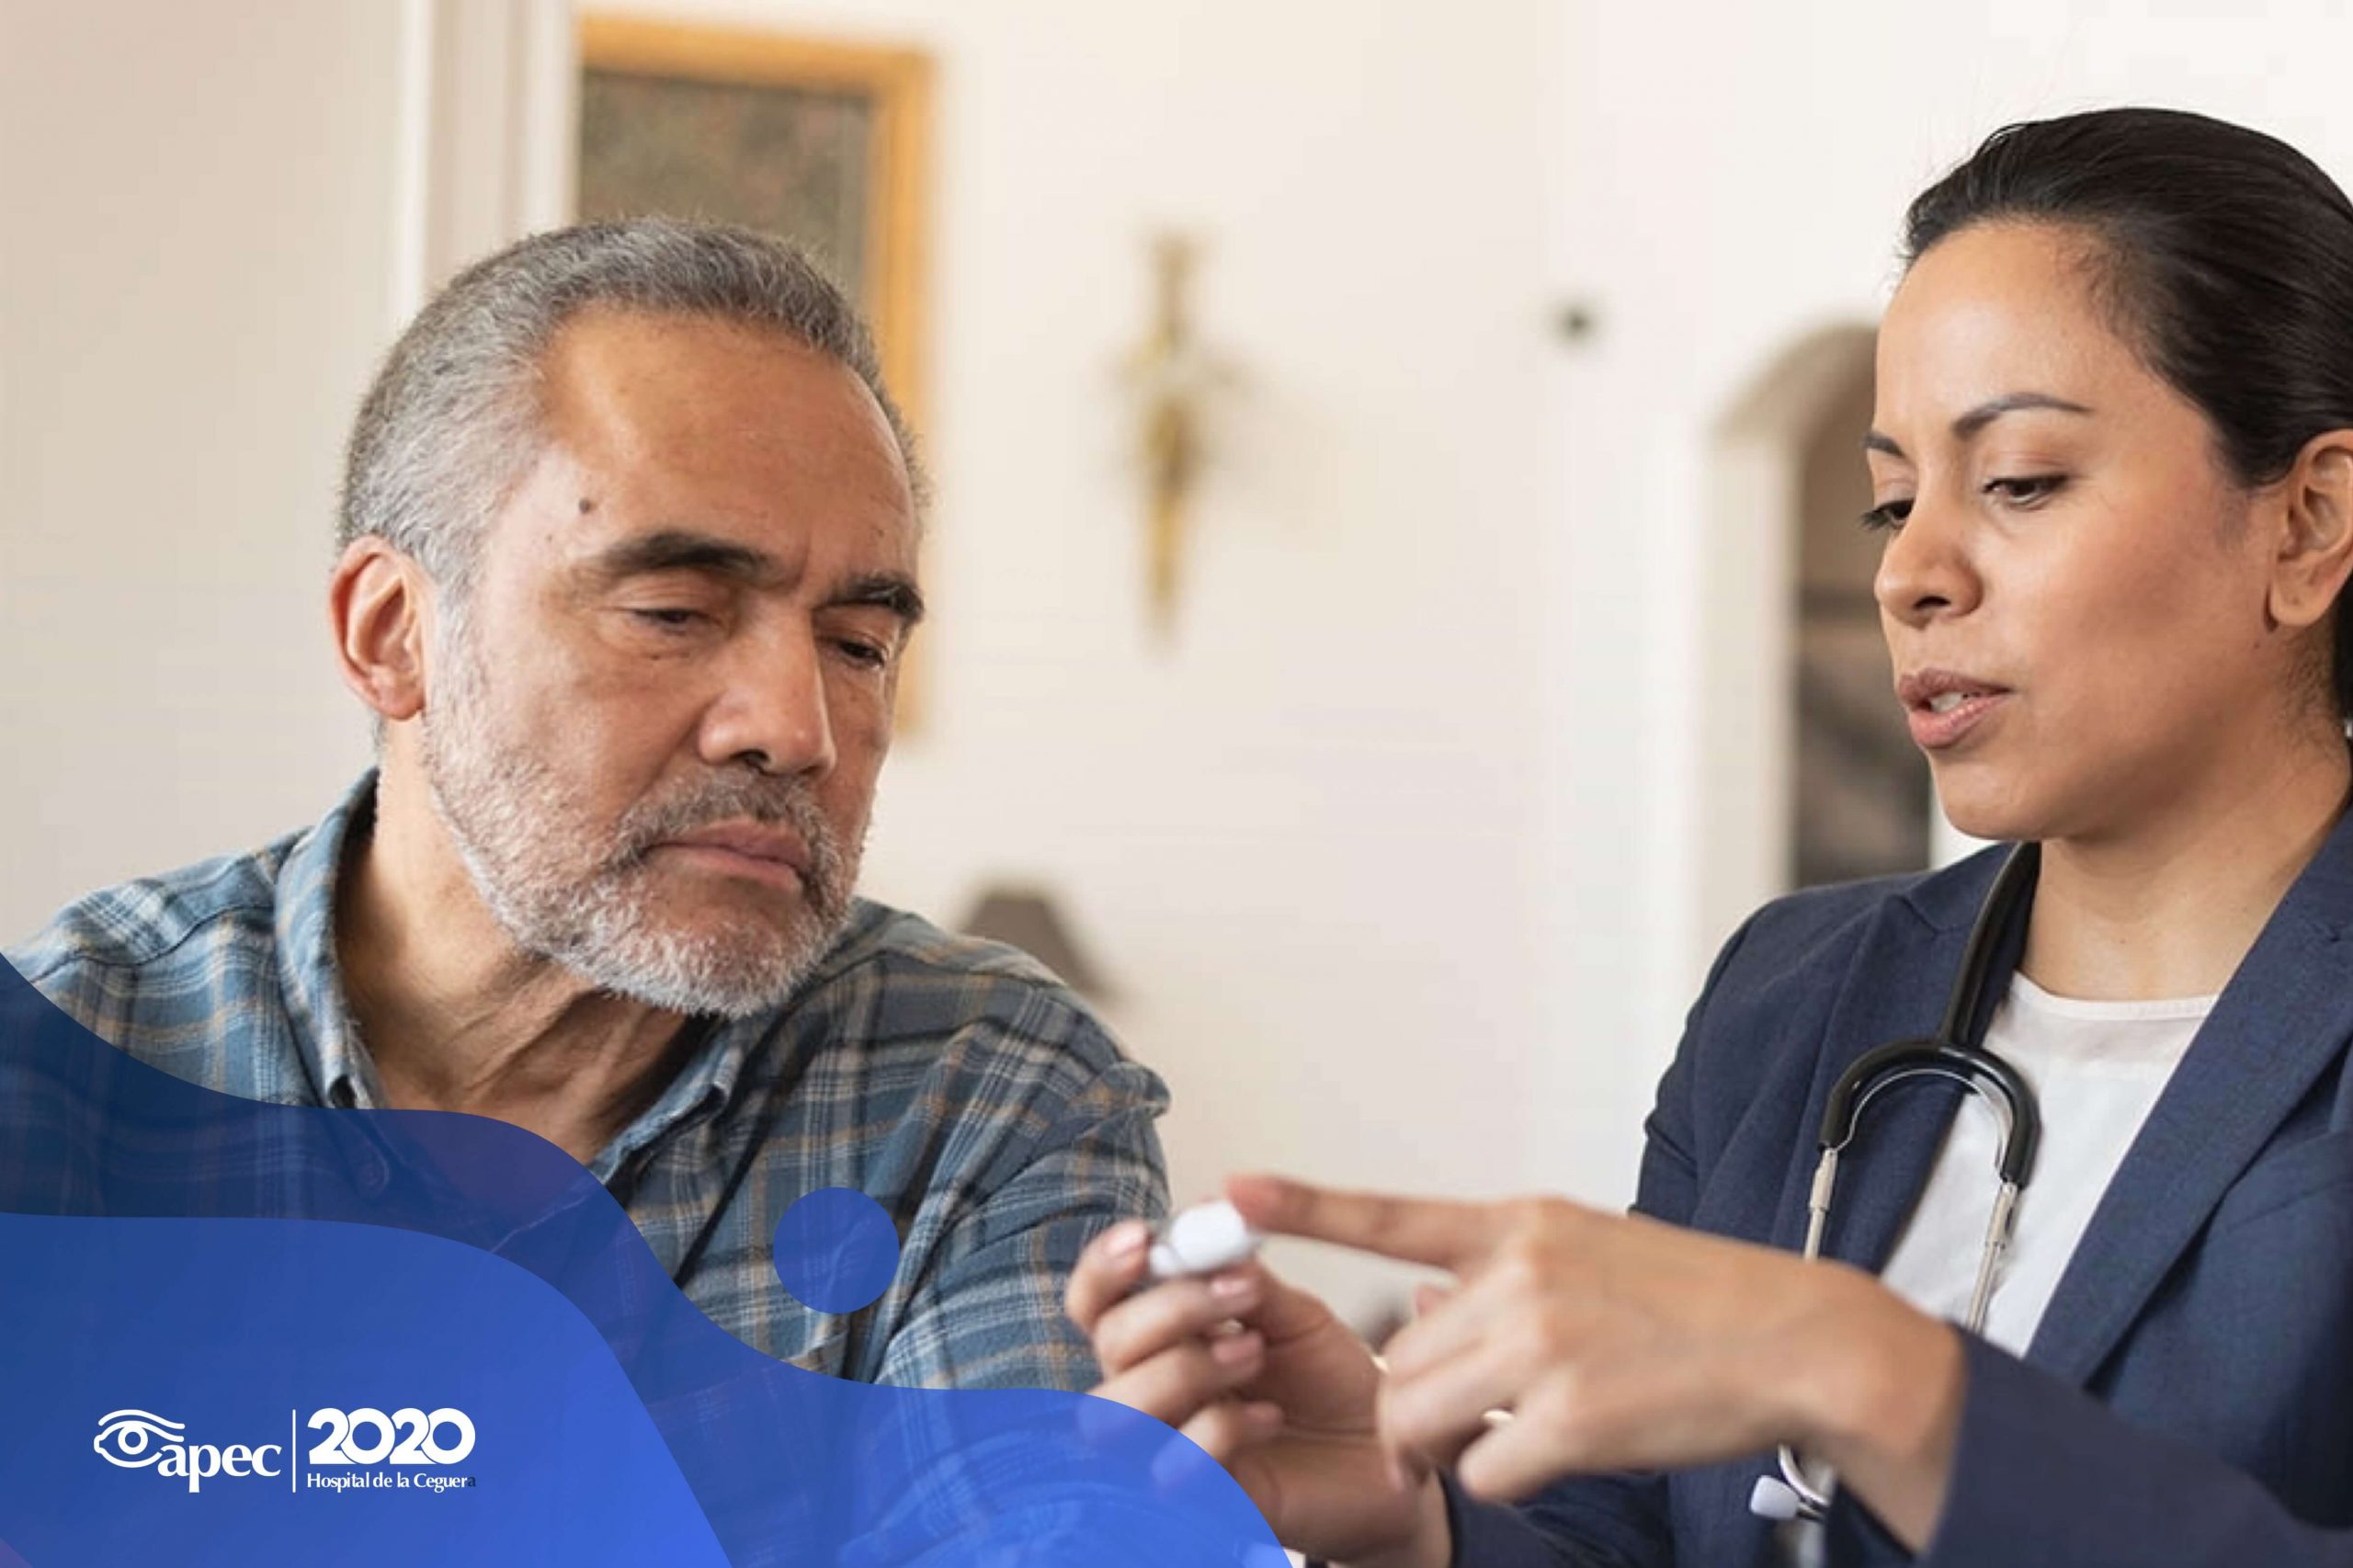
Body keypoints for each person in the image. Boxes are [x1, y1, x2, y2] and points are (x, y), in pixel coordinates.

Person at [1070, 106, 2353, 1564]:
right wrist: (1416, 1517)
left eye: (2019, 481)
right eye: (1890, 499)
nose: (1911, 573)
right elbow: (1622, 1533)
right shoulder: (1790, 995)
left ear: (2307, 523)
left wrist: (1871, 1368)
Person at [5, 219, 1168, 1392]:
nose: (795, 727)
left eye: (858, 643)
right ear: (392, 633)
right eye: (673, 611)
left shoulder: (987, 1092)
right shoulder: (65, 1074)